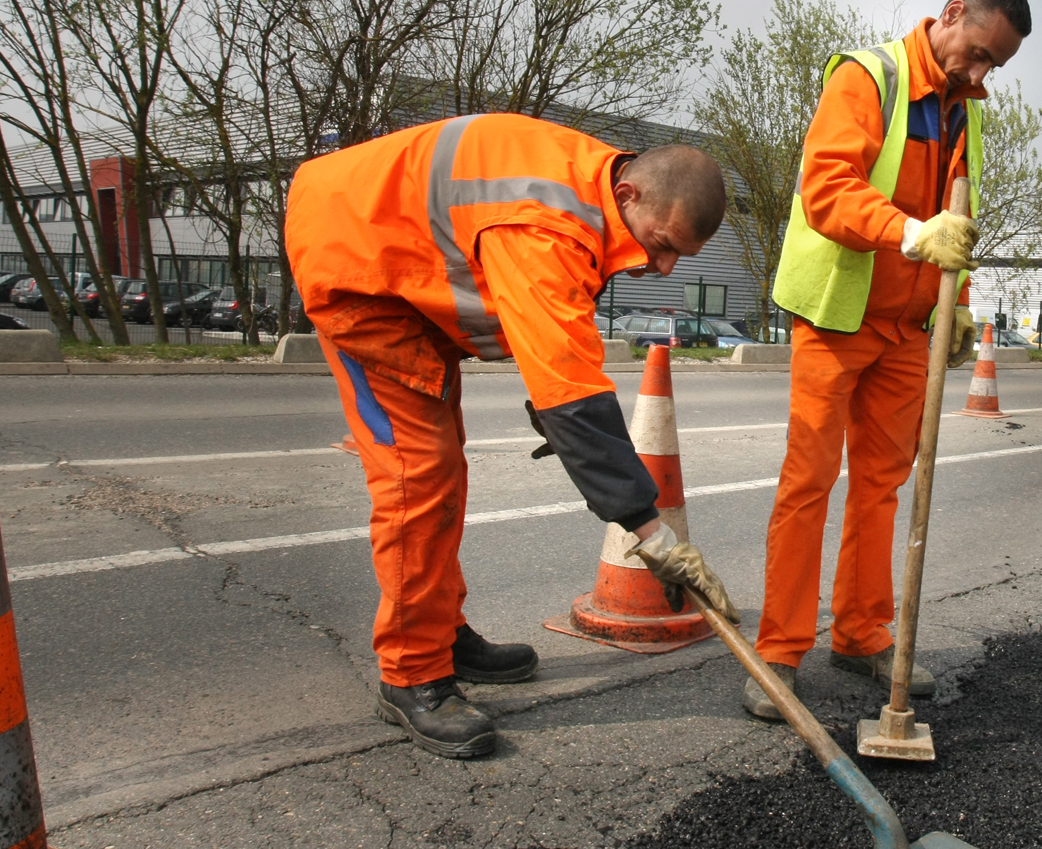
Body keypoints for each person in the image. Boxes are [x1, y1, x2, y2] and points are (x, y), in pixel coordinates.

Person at [287, 113, 738, 759]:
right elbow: (572, 394)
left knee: (442, 474)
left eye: (676, 257)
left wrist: (566, 411)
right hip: (358, 276)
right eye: (661, 243)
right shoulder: (547, 227)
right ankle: (411, 675)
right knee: (420, 481)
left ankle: (441, 634)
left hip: (394, 266)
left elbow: (556, 346)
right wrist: (654, 535)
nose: (660, 267)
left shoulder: (598, 188)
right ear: (632, 194)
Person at [747, 0, 1031, 719]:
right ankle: (778, 654)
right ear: (952, 15)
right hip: (839, 317)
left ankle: (861, 632)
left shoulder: (963, 115)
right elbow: (828, 189)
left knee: (881, 487)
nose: (980, 75)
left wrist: (958, 304)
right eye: (977, 55)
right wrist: (909, 234)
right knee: (808, 483)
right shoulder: (867, 78)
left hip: (908, 331)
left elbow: (957, 222)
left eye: (993, 67)